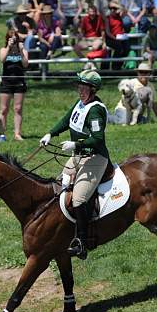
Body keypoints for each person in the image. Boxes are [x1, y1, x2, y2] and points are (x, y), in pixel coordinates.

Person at [39, 70, 110, 260]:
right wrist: (50, 134)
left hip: (95, 158)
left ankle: (82, 241)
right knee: (61, 186)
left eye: (84, 87)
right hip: (77, 156)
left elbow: (97, 139)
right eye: (79, 86)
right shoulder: (80, 104)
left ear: (93, 89)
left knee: (78, 199)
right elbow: (66, 120)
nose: (80, 90)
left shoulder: (95, 109)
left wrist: (75, 144)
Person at [0, 29, 29, 142]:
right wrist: (8, 47)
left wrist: (20, 50)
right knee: (4, 109)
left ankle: (17, 134)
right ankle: (2, 134)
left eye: (15, 39)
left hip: (19, 82)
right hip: (6, 82)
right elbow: (2, 59)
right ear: (7, 39)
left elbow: (25, 64)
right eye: (11, 39)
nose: (14, 41)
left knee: (18, 108)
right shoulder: (3, 49)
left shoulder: (23, 50)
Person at [105, 2, 130, 70]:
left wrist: (117, 6)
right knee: (119, 48)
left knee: (127, 49)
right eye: (111, 8)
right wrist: (115, 38)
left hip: (121, 37)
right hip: (111, 38)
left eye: (115, 8)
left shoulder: (119, 16)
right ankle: (114, 66)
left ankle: (119, 65)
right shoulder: (108, 18)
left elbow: (125, 10)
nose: (113, 10)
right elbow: (107, 32)